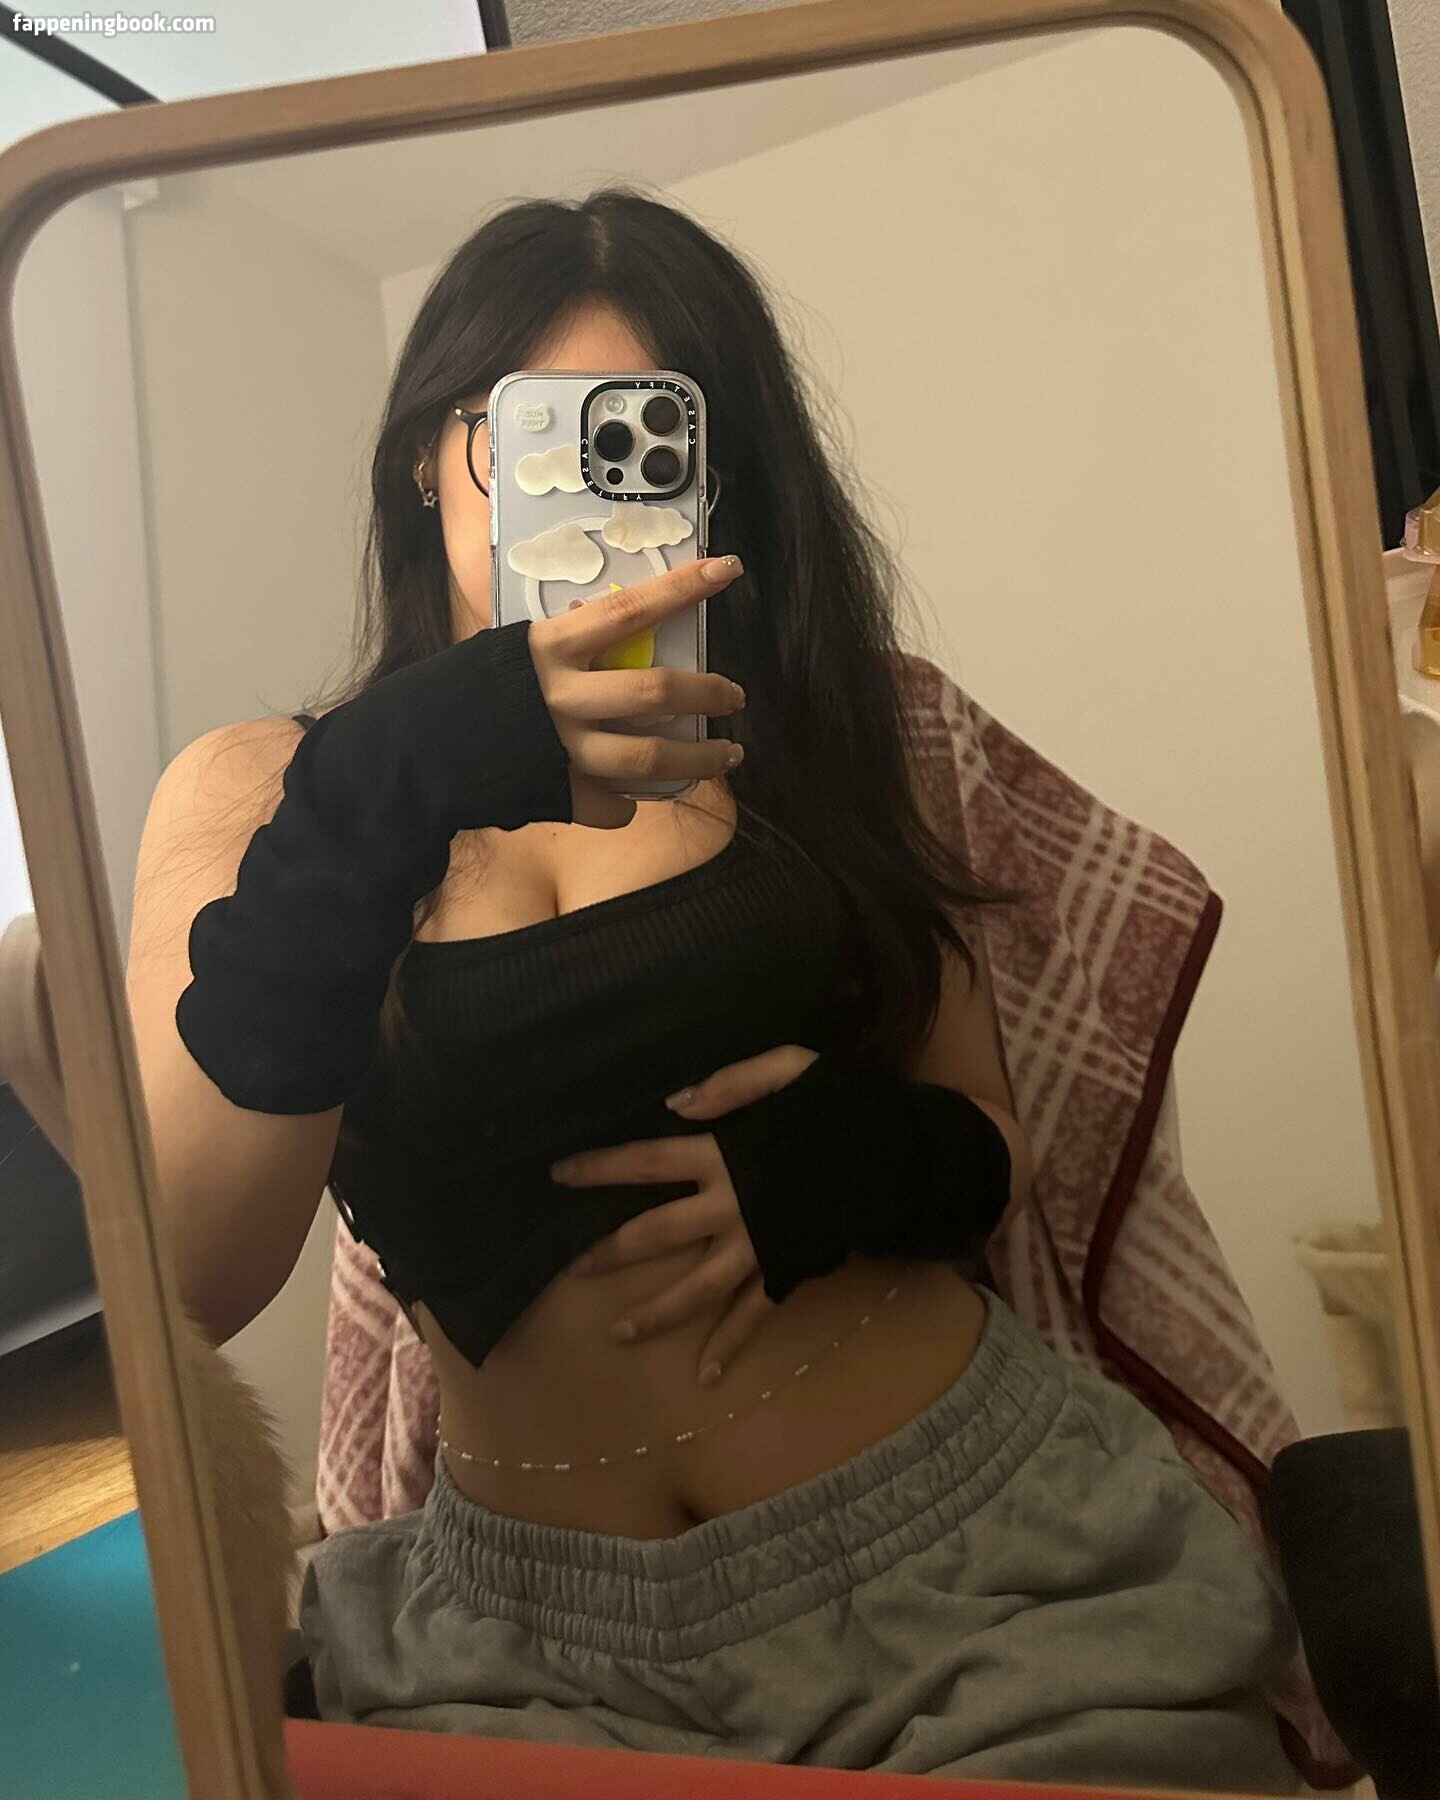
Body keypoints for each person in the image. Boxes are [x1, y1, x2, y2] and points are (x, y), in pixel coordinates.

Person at [124, 189, 1300, 1790]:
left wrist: (848, 1162)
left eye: (646, 443)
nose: (589, 490)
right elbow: (182, 1279)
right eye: (535, 433)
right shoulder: (265, 793)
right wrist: (384, 787)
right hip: (517, 1658)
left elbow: (989, 1136)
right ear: (423, 456)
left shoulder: (825, 725)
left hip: (977, 1563)